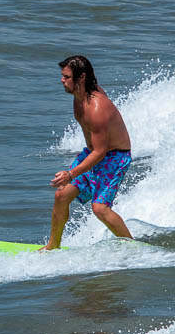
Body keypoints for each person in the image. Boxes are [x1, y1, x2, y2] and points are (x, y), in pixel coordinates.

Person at [40, 55, 133, 251]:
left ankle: (133, 248)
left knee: (100, 209)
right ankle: (53, 246)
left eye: (66, 77)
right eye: (62, 76)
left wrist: (71, 173)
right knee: (61, 195)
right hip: (92, 153)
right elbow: (94, 150)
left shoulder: (97, 108)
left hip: (113, 157)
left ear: (81, 78)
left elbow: (101, 152)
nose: (62, 80)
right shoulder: (78, 96)